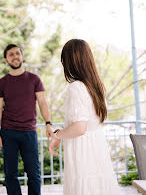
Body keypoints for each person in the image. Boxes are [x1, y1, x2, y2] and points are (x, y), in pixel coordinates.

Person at [49, 39, 122, 195]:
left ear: (70, 61)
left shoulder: (76, 87)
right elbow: (86, 124)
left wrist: (57, 134)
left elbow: (79, 128)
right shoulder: (96, 86)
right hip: (96, 147)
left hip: (83, 152)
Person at [0, 44, 53, 195]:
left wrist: (48, 123)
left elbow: (42, 102)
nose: (15, 56)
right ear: (6, 60)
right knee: (10, 174)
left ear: (22, 56)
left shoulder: (34, 79)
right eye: (11, 54)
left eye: (17, 53)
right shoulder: (1, 83)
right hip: (8, 132)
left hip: (29, 132)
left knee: (33, 173)